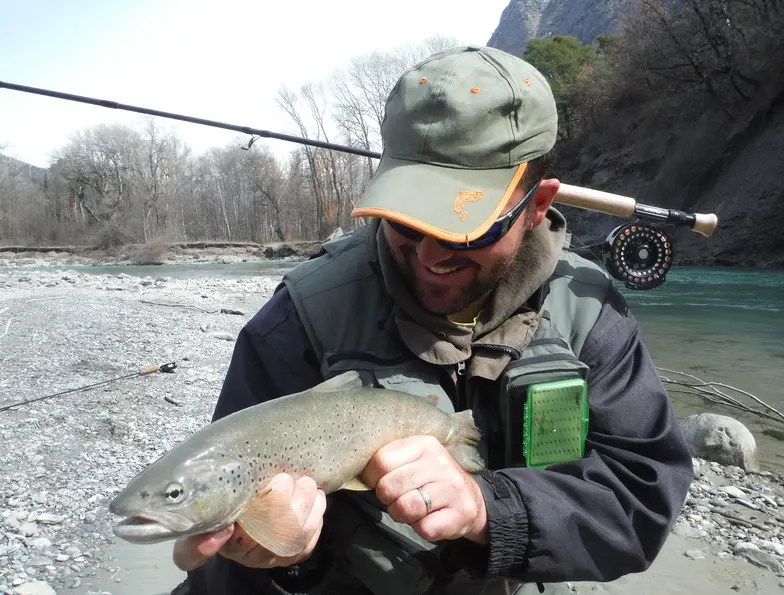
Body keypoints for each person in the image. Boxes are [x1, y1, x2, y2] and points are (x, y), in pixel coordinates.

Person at [169, 45, 694, 595]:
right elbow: (223, 572)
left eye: (466, 228)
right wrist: (281, 564)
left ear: (537, 205)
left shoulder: (589, 311)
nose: (429, 255)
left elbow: (643, 495)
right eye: (407, 221)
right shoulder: (298, 322)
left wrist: (488, 511)